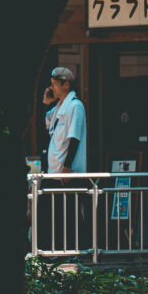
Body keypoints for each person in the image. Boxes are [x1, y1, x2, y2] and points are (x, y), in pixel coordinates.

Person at [41, 67, 87, 251]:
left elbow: (74, 138)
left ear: (66, 84)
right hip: (56, 171)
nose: (52, 87)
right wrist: (46, 103)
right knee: (58, 214)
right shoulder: (61, 106)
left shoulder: (75, 106)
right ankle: (60, 250)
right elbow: (47, 125)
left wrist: (67, 167)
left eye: (54, 84)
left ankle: (74, 251)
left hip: (68, 172)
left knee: (69, 214)